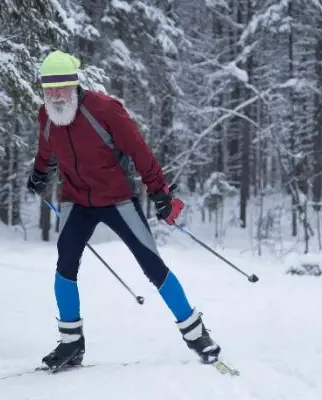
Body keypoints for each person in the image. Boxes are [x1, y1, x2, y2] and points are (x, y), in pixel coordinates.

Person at [27, 50, 221, 370]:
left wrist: (158, 192)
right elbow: (47, 149)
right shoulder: (47, 116)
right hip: (76, 201)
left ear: (75, 84)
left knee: (152, 264)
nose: (55, 94)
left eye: (61, 87)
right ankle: (71, 343)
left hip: (117, 199)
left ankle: (196, 333)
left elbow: (138, 150)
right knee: (65, 265)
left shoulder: (105, 110)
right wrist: (38, 173)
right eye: (49, 88)